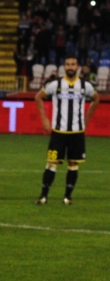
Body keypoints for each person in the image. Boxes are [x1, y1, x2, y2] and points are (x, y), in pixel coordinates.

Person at [35, 56, 100, 205]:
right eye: (68, 64)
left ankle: (67, 197)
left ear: (77, 67)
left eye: (73, 64)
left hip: (77, 133)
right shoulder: (55, 84)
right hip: (58, 132)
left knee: (73, 164)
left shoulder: (85, 85)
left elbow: (96, 99)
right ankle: (43, 196)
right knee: (51, 163)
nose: (70, 67)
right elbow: (38, 97)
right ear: (64, 67)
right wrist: (45, 119)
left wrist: (86, 119)